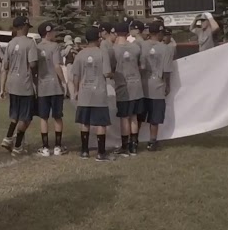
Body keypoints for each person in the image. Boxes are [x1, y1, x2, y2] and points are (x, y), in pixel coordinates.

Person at [71, 27, 114, 161]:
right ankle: (101, 153)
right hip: (99, 92)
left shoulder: (80, 54)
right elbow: (107, 72)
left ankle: (84, 151)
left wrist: (76, 90)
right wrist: (113, 74)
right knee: (101, 123)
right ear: (98, 38)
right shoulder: (102, 53)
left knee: (85, 122)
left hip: (84, 92)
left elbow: (75, 75)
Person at [0, 17, 38, 154]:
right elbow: (33, 63)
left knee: (15, 114)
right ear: (22, 27)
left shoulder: (10, 44)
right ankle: (17, 146)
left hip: (12, 83)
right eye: (28, 26)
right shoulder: (30, 43)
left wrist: (2, 87)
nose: (29, 29)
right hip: (25, 83)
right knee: (25, 117)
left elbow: (5, 66)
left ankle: (8, 137)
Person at [111, 21, 146, 158]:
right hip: (136, 85)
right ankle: (134, 146)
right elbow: (142, 66)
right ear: (127, 33)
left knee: (124, 118)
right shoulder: (136, 47)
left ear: (115, 33)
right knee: (134, 117)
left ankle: (125, 146)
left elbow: (111, 69)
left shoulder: (113, 49)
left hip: (123, 87)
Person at [34, 21, 67, 156]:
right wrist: (64, 82)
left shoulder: (36, 47)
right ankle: (58, 146)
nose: (55, 33)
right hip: (55, 86)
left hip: (42, 86)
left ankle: (45, 147)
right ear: (48, 33)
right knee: (57, 117)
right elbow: (57, 65)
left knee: (44, 118)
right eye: (53, 31)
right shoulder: (55, 46)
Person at [141, 21, 174, 151]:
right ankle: (152, 141)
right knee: (155, 117)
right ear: (160, 33)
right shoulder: (166, 48)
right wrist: (168, 84)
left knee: (139, 116)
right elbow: (166, 70)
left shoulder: (141, 45)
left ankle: (134, 141)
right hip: (157, 85)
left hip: (142, 86)